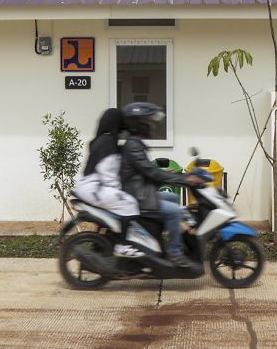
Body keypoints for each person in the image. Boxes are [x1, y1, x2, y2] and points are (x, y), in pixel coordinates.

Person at [120, 102, 205, 269]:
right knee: (173, 212)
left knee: (173, 197)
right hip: (138, 197)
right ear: (141, 124)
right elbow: (152, 173)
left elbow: (150, 170)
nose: (153, 125)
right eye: (150, 122)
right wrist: (184, 180)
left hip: (140, 192)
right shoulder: (133, 146)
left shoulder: (135, 143)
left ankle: (164, 238)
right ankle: (175, 254)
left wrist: (183, 175)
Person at [71, 108, 145, 258]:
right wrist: (120, 190)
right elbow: (107, 172)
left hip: (88, 186)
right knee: (129, 203)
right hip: (94, 188)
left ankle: (107, 241)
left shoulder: (100, 139)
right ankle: (122, 246)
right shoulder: (108, 142)